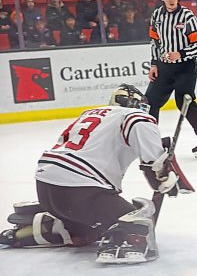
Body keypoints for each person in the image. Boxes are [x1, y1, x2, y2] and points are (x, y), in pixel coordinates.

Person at [0, 84, 181, 264]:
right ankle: (122, 239)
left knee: (88, 231)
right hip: (82, 192)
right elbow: (154, 163)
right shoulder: (136, 116)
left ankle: (57, 227)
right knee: (136, 223)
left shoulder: (90, 113)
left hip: (46, 186)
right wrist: (165, 176)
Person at [146, 0, 197, 159]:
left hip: (185, 67)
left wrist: (181, 54)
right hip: (163, 68)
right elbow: (155, 42)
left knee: (185, 101)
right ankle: (151, 141)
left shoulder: (187, 16)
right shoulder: (157, 16)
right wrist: (154, 63)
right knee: (150, 101)